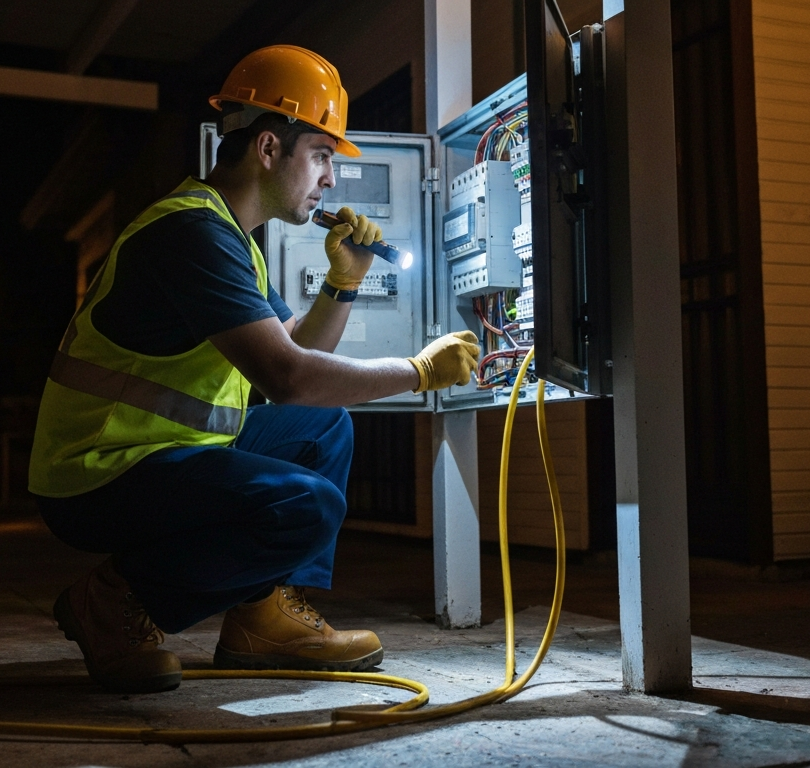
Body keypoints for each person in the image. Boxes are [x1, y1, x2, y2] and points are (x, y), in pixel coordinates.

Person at [27, 44, 479, 693]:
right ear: (269, 148)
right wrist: (418, 372)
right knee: (304, 506)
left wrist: (342, 282)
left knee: (323, 428)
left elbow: (293, 353)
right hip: (97, 474)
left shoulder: (225, 235)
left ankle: (260, 620)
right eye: (322, 155)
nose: (330, 178)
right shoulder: (191, 234)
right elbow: (286, 378)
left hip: (163, 454)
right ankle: (114, 602)